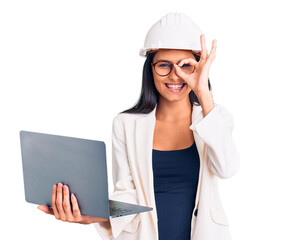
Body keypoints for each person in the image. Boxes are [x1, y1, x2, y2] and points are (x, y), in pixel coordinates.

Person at [37, 12, 240, 240]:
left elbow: (227, 168)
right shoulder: (126, 124)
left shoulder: (215, 117)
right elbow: (127, 195)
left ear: (198, 69)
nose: (175, 75)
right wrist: (92, 215)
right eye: (164, 65)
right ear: (150, 69)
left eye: (186, 66)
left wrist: (203, 92)